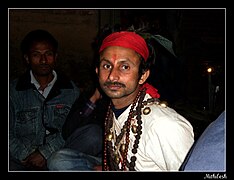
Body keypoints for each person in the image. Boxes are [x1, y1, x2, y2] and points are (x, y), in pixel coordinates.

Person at [96, 31, 194, 171]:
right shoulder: (115, 110)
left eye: (125, 67)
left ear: (143, 76)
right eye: (107, 66)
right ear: (97, 71)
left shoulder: (164, 126)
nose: (112, 76)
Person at [9, 29, 80, 171]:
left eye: (48, 54)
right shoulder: (13, 91)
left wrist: (45, 154)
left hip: (58, 157)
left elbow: (72, 131)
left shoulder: (70, 91)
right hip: (22, 160)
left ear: (55, 57)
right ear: (27, 58)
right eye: (36, 55)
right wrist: (27, 156)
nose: (43, 60)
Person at [47, 76, 109, 171]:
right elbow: (67, 132)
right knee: (56, 161)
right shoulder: (87, 96)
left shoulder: (132, 103)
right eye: (106, 67)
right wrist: (94, 99)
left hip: (114, 161)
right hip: (84, 159)